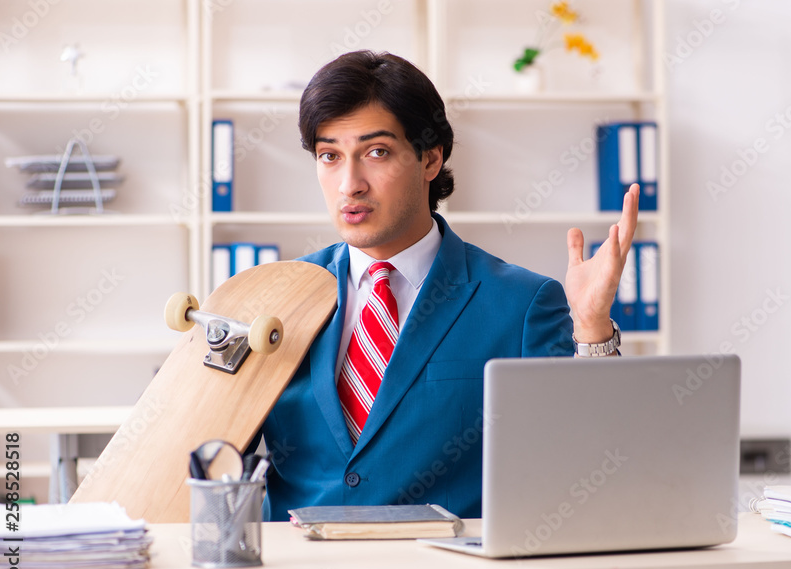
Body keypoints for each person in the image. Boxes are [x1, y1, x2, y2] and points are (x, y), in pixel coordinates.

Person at [259, 50, 638, 520]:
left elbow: (586, 460)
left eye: (376, 152)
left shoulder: (519, 303)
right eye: (330, 156)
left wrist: (592, 328)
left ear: (430, 158)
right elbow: (213, 458)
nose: (349, 184)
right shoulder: (277, 297)